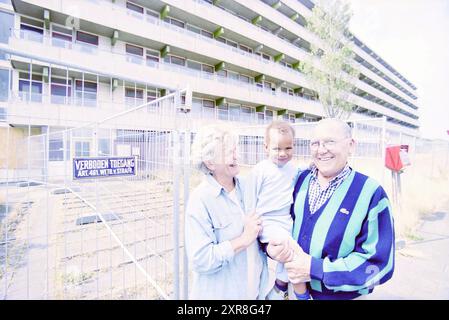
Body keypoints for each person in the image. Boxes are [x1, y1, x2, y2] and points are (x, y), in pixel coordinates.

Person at [267, 118, 395, 300]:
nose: (321, 149)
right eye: (315, 143)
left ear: (350, 145)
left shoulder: (371, 193)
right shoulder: (299, 180)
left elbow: (379, 265)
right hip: (294, 292)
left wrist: (315, 269)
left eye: (329, 142)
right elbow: (276, 218)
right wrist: (269, 247)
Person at [185, 124, 270, 299]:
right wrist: (244, 239)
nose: (237, 156)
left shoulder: (248, 187)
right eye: (229, 152)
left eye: (236, 150)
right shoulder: (200, 200)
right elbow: (201, 259)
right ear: (210, 162)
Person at [245, 120, 309, 300]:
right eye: (277, 149)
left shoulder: (293, 168)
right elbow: (250, 197)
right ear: (266, 147)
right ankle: (298, 293)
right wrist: (251, 224)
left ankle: (280, 287)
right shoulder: (261, 170)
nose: (283, 153)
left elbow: (298, 175)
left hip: (286, 219)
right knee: (292, 250)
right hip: (267, 221)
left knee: (294, 247)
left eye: (288, 148)